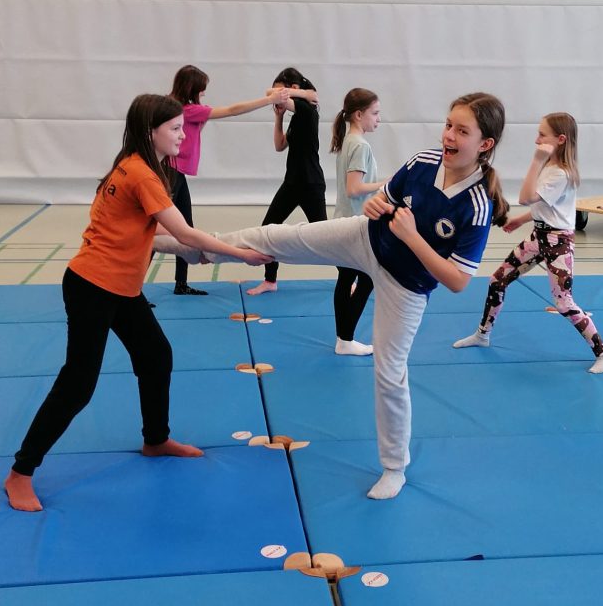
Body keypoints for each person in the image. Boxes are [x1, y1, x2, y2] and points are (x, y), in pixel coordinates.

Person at [154, 92, 508, 500]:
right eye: (448, 125)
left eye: (461, 131)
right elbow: (387, 198)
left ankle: (394, 468)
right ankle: (191, 247)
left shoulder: (477, 204)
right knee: (276, 237)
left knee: (390, 372)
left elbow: (458, 281)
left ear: (484, 144)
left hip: (407, 286)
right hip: (365, 240)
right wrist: (378, 205)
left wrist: (412, 238)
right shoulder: (424, 161)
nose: (448, 135)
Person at [3, 95, 265, 513]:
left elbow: (150, 233)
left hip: (120, 287)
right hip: (93, 286)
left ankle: (155, 439)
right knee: (78, 384)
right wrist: (241, 254)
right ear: (150, 132)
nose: (183, 136)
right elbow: (184, 231)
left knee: (155, 355)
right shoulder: (142, 175)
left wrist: (193, 249)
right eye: (175, 129)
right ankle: (20, 473)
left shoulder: (133, 164)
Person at [452, 112, 603, 374]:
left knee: (564, 302)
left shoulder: (560, 173)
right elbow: (546, 206)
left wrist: (536, 160)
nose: (537, 139)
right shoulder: (552, 167)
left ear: (560, 139)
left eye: (542, 135)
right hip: (539, 237)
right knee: (497, 280)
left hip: (558, 243)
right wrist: (521, 220)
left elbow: (525, 197)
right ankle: (483, 334)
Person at [169, 64, 290, 295]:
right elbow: (233, 110)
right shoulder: (188, 109)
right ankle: (136, 288)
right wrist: (269, 100)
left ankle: (180, 283)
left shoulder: (177, 107)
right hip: (171, 173)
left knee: (184, 228)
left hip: (176, 173)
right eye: (201, 88)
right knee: (160, 231)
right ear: (191, 88)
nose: (204, 92)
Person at [246, 68, 325, 297]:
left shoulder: (307, 110)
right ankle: (270, 280)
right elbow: (279, 145)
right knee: (268, 229)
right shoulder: (296, 116)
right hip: (292, 184)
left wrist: (305, 94)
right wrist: (279, 117)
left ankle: (350, 279)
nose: (277, 96)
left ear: (294, 89)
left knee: (326, 238)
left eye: (282, 90)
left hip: (311, 184)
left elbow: (269, 93)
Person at [330, 88, 383, 356]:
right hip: (356, 225)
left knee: (346, 280)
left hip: (344, 221)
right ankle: (346, 338)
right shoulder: (360, 145)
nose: (378, 119)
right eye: (375, 113)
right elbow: (354, 189)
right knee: (367, 280)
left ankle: (344, 339)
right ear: (359, 115)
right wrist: (385, 184)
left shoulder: (348, 141)